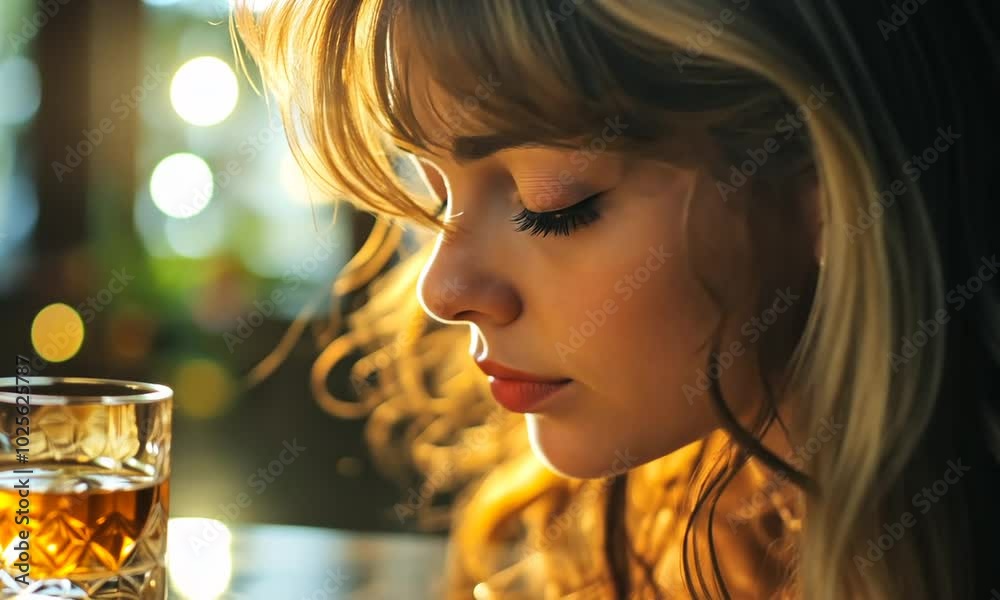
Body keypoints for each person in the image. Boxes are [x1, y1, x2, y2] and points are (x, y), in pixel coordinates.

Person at [231, 1, 1000, 598]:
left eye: (551, 202)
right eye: (431, 186)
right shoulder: (651, 538)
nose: (441, 291)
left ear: (827, 184)